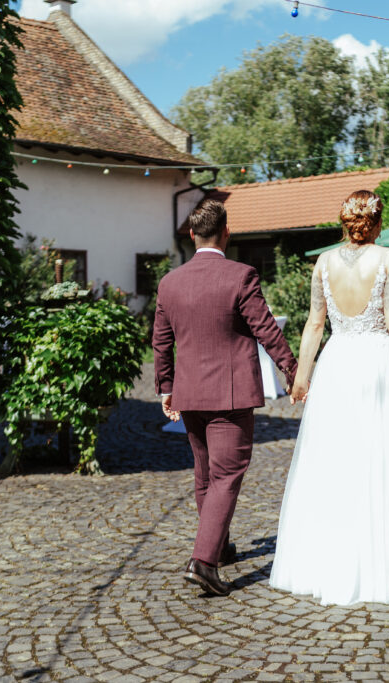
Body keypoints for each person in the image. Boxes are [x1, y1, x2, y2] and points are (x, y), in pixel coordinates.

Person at [268, 190, 389, 606]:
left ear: (345, 222)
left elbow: (315, 324)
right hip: (375, 364)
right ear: (378, 223)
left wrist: (301, 377)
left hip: (335, 364)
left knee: (333, 460)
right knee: (377, 459)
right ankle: (376, 566)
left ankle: (326, 561)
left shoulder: (323, 262)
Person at [153, 198, 297, 597]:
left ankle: (218, 545)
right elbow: (266, 329)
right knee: (226, 474)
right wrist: (292, 369)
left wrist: (166, 388)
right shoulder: (241, 275)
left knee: (205, 474)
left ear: (192, 235)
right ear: (227, 233)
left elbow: (161, 341)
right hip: (229, 396)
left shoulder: (169, 282)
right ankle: (204, 562)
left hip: (189, 394)